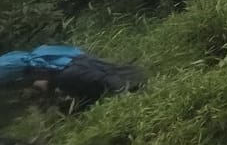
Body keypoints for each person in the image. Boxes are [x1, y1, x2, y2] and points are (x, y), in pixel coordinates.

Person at [0, 45, 145, 106]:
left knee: (110, 84)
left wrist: (47, 98)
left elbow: (42, 84)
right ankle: (140, 84)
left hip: (72, 72)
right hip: (79, 60)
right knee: (114, 73)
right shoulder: (37, 55)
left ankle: (134, 97)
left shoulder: (31, 68)